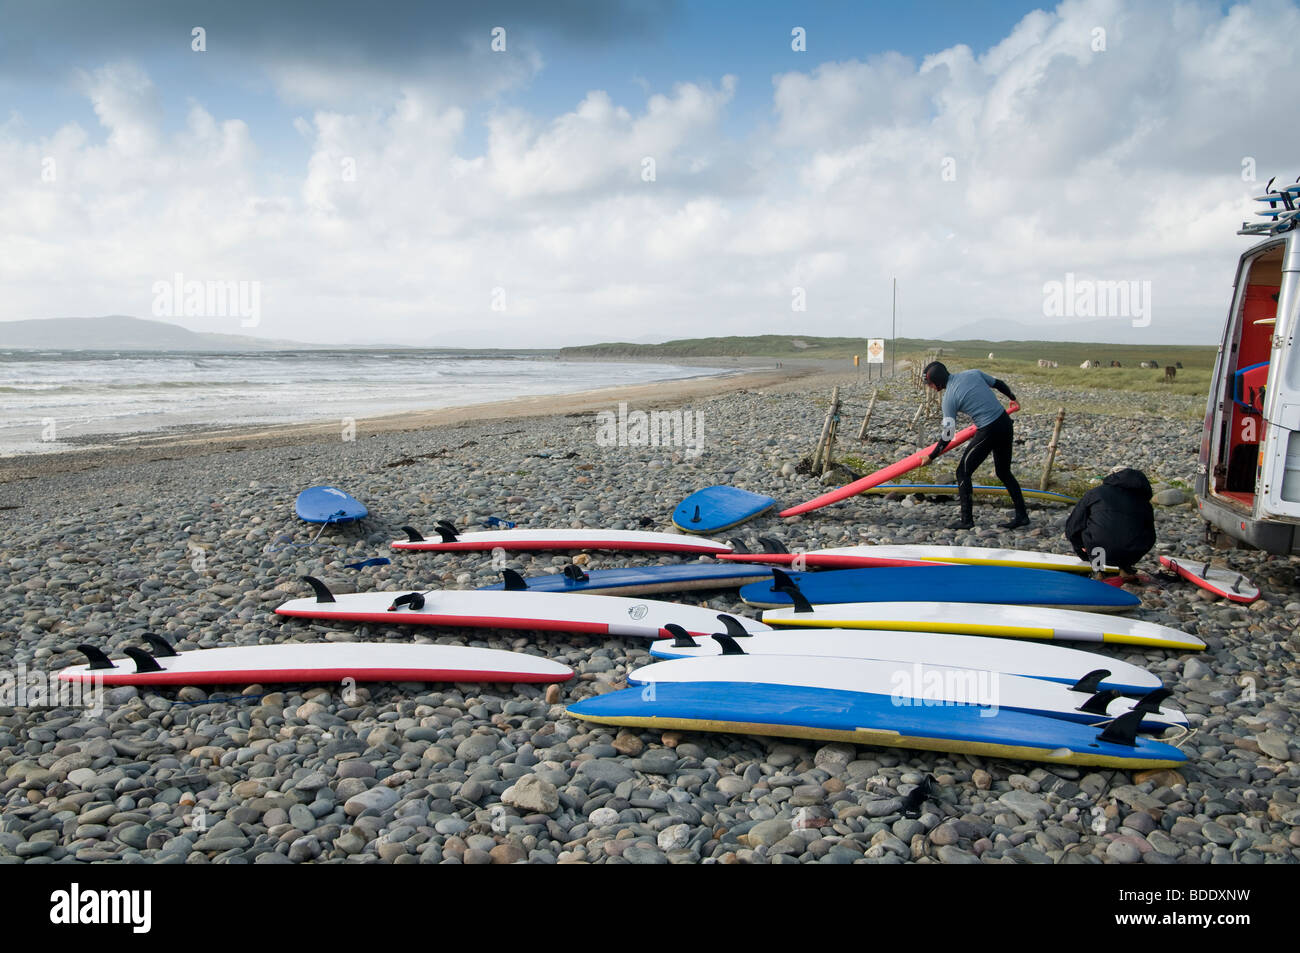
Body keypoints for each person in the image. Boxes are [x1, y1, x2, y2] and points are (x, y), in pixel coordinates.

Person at [917, 361, 1028, 531]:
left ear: (937, 383)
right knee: (1004, 472)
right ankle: (1022, 516)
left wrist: (931, 456)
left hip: (989, 430)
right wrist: (1013, 399)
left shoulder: (949, 399)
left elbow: (948, 435)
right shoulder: (973, 373)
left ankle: (966, 520)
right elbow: (999, 384)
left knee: (962, 472)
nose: (930, 387)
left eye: (930, 384)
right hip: (1005, 423)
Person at [1065, 466, 1156, 575]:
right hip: (1133, 551)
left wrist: (1080, 546)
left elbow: (1073, 525)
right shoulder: (1145, 503)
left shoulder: (1096, 492)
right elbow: (1151, 535)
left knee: (1091, 529)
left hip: (1098, 549)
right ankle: (1124, 568)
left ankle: (1098, 571)